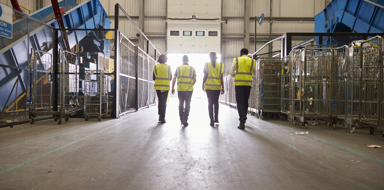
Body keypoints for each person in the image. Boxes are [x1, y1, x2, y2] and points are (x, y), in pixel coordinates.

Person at [230, 48, 256, 129]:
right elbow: (254, 73)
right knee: (245, 101)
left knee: (240, 102)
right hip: (247, 84)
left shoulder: (236, 60)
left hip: (239, 84)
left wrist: (236, 77)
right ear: (247, 53)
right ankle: (244, 119)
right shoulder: (252, 61)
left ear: (241, 53)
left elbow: (231, 72)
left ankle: (242, 120)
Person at [171, 55, 196, 127]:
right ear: (188, 60)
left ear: (182, 60)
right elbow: (195, 79)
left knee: (180, 104)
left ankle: (181, 119)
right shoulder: (192, 68)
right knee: (187, 104)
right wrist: (191, 85)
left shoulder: (178, 68)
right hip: (189, 90)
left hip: (180, 89)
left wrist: (172, 87)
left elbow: (174, 78)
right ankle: (185, 119)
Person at [202, 52, 224, 127]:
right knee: (216, 102)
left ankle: (211, 120)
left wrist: (202, 84)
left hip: (209, 87)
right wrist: (223, 87)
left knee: (210, 103)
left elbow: (205, 76)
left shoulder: (206, 65)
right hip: (217, 87)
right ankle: (216, 118)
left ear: (209, 57)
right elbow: (221, 77)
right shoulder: (220, 65)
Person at [153, 54, 172, 124]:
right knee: (164, 102)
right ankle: (163, 118)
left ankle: (160, 116)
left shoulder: (155, 67)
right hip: (166, 87)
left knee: (160, 101)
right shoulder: (169, 67)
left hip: (158, 87)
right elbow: (170, 78)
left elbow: (153, 78)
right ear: (166, 60)